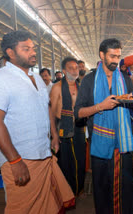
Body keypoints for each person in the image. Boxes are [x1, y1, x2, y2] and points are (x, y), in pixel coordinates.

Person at [0, 30, 74, 213]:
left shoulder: (37, 78)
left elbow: (46, 107)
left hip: (43, 153)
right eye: (26, 49)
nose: (33, 52)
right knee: (22, 208)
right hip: (20, 157)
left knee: (48, 205)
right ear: (10, 52)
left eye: (33, 48)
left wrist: (54, 136)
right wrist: (15, 161)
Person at [74, 38, 133, 214]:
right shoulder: (89, 80)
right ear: (102, 55)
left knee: (126, 188)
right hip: (99, 144)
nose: (116, 60)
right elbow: (78, 113)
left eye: (118, 56)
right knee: (102, 188)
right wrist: (100, 106)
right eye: (112, 56)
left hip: (122, 145)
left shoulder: (125, 79)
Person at [50, 57, 86, 196]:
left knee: (81, 159)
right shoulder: (57, 87)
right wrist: (54, 135)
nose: (74, 70)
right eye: (70, 68)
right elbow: (51, 114)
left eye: (76, 67)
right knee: (67, 162)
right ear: (64, 71)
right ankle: (68, 191)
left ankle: (78, 188)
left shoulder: (80, 86)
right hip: (64, 129)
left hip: (79, 128)